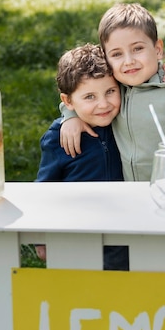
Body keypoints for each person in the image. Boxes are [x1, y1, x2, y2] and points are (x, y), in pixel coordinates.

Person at [60, 3, 165, 181]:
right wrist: (71, 116)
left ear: (158, 50)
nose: (129, 61)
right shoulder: (114, 90)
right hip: (132, 194)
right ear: (105, 58)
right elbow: (77, 95)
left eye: (138, 49)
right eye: (116, 54)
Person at [36, 42, 128, 270]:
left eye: (110, 91)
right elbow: (44, 189)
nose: (104, 104)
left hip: (125, 229)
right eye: (89, 97)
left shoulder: (126, 122)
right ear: (68, 101)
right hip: (76, 232)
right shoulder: (58, 138)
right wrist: (40, 234)